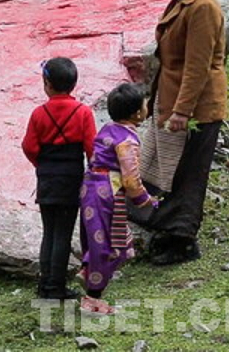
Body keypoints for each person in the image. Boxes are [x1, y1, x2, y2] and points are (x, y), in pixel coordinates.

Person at [131, 0, 227, 266]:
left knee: (188, 174)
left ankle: (183, 240)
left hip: (199, 107)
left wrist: (183, 111)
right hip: (174, 99)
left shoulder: (203, 7)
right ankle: (166, 230)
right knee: (166, 168)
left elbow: (198, 67)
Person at [79, 83, 158, 316]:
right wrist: (145, 199)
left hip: (90, 187)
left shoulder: (107, 129)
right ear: (137, 113)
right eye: (145, 104)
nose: (147, 107)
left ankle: (87, 271)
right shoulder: (128, 141)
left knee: (95, 238)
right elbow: (131, 180)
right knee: (109, 245)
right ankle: (92, 299)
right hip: (107, 192)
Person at [23, 57, 97, 299]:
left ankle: (45, 283)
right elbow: (91, 149)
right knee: (63, 232)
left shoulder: (38, 113)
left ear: (47, 84)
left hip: (46, 177)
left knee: (49, 231)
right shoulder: (83, 112)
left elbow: (29, 146)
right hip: (71, 177)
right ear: (74, 84)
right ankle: (56, 286)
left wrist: (42, 164)